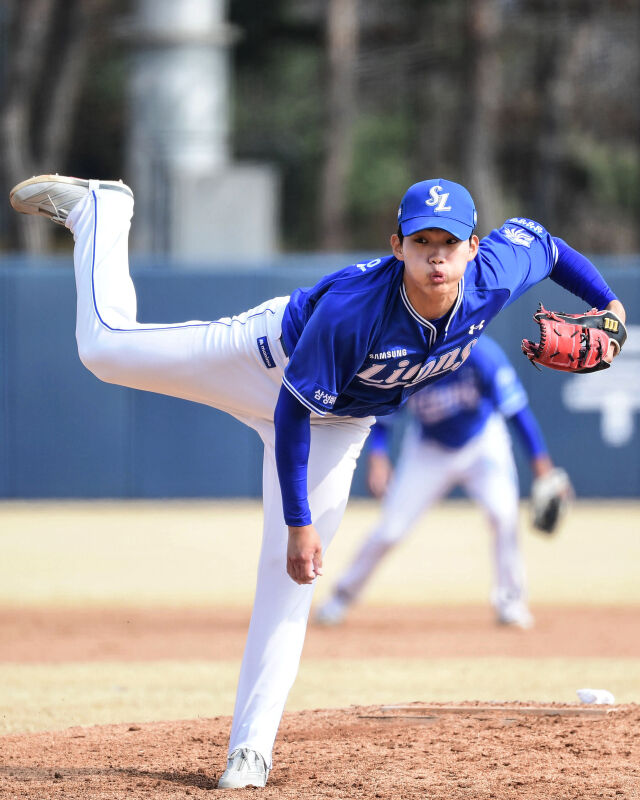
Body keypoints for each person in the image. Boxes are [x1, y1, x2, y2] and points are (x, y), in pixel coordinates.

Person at [9, 175, 626, 789]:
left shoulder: (494, 271)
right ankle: (103, 211)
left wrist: (612, 306)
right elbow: (291, 411)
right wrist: (299, 523)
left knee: (290, 586)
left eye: (450, 242)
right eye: (422, 241)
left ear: (472, 247)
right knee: (104, 350)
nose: (436, 255)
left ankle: (249, 752)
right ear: (397, 246)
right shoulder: (355, 310)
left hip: (343, 422)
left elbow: (546, 245)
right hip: (262, 361)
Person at [315, 335, 565, 630]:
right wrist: (378, 457)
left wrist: (543, 469)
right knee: (390, 530)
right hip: (427, 449)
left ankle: (511, 603)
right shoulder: (411, 358)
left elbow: (518, 412)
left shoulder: (481, 353)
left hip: (482, 443)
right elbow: (384, 418)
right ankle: (341, 597)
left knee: (503, 516)